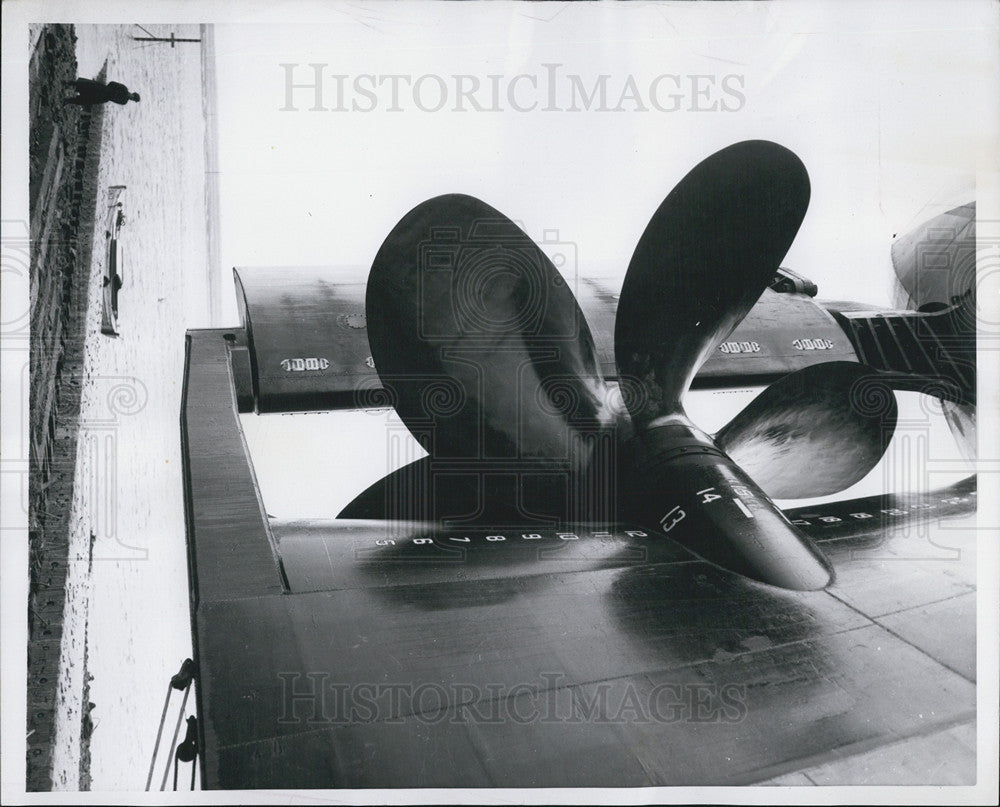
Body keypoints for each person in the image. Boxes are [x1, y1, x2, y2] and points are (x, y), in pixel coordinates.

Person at [64, 78, 141, 106]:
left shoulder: (124, 101)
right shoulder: (124, 89)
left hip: (103, 98)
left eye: (133, 100)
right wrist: (109, 90)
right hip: (104, 90)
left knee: (86, 100)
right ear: (133, 94)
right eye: (133, 97)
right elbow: (112, 83)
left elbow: (114, 100)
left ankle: (69, 100)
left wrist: (110, 95)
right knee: (86, 86)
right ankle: (69, 83)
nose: (131, 98)